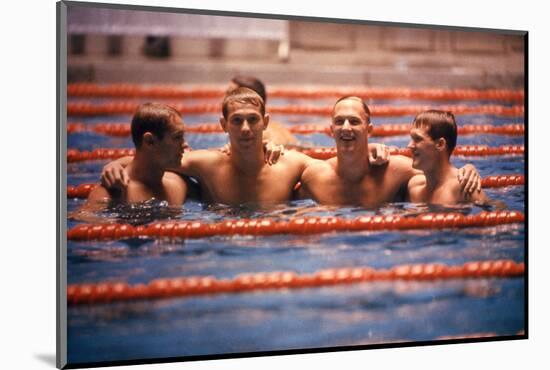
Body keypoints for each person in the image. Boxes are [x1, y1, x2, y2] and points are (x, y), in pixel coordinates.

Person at [297, 97, 481, 207]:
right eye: (339, 122)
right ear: (331, 130)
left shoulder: (396, 170)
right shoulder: (314, 177)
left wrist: (468, 169)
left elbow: (441, 173)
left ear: (369, 130)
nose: (345, 128)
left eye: (354, 121)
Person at [85, 103, 188, 209]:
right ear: (150, 142)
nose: (185, 144)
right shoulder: (109, 194)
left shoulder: (179, 186)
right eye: (177, 137)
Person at [406, 110, 487, 205]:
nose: (409, 145)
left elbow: (498, 211)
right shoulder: (414, 187)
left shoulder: (464, 188)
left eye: (418, 139)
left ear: (440, 144)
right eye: (412, 138)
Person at [227, 75, 298, 146]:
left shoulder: (263, 134)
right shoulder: (275, 126)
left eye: (230, 95)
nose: (223, 100)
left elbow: (277, 146)